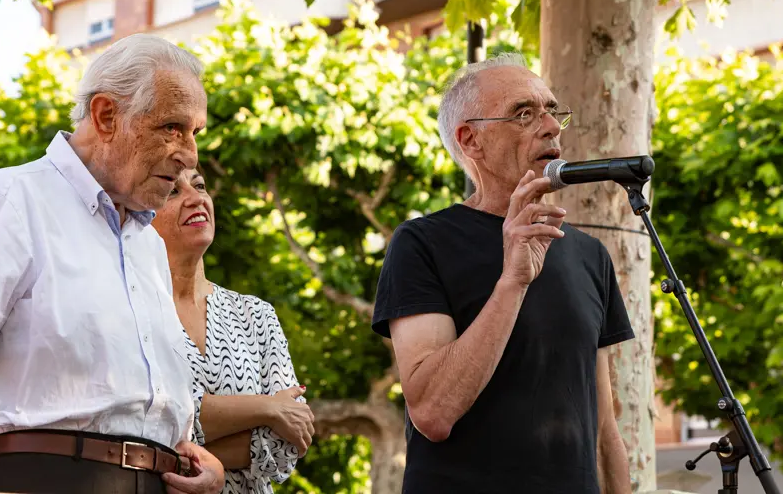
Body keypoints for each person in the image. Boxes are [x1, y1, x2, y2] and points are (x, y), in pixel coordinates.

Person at [0, 34, 225, 494]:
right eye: (172, 127)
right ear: (105, 116)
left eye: (194, 132)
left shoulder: (149, 246)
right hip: (45, 479)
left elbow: (138, 404)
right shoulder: (10, 201)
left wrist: (194, 459)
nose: (189, 154)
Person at [371, 53, 635, 494]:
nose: (550, 126)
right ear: (471, 140)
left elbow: (605, 425)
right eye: (524, 113)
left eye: (553, 111)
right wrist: (512, 282)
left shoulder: (590, 254)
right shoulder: (421, 243)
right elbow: (433, 411)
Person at [152, 168, 314, 494]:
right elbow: (142, 422)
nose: (196, 198)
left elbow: (289, 442)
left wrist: (168, 453)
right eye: (174, 191)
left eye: (199, 186)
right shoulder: (134, 311)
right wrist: (267, 408)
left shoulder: (256, 314)